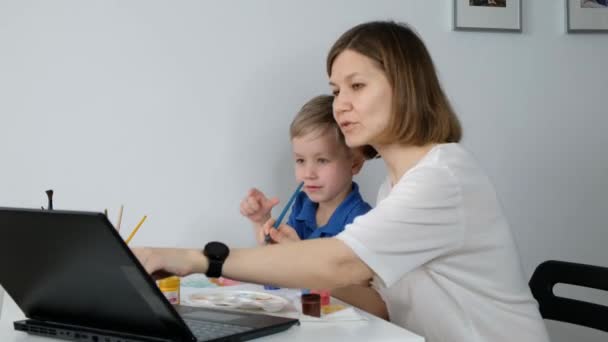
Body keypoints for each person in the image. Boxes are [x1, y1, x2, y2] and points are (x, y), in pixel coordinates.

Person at [134, 21, 550, 342]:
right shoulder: (397, 187)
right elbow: (382, 305)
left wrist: (198, 258)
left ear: (405, 88)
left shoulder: (444, 177)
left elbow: (341, 261)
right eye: (336, 90)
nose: (341, 105)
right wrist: (305, 269)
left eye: (357, 86)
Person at [240, 94, 373, 246]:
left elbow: (336, 269)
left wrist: (298, 251)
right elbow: (277, 262)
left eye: (322, 160)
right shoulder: (303, 205)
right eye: (300, 160)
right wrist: (262, 222)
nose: (308, 174)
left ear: (355, 164)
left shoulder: (363, 223)